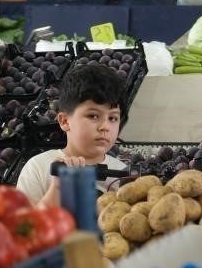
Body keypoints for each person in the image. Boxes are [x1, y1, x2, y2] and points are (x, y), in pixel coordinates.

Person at [17, 65, 128, 206]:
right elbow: (24, 225)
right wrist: (58, 187)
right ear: (64, 121)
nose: (105, 126)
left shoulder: (123, 174)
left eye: (113, 118)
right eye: (93, 116)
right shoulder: (38, 167)